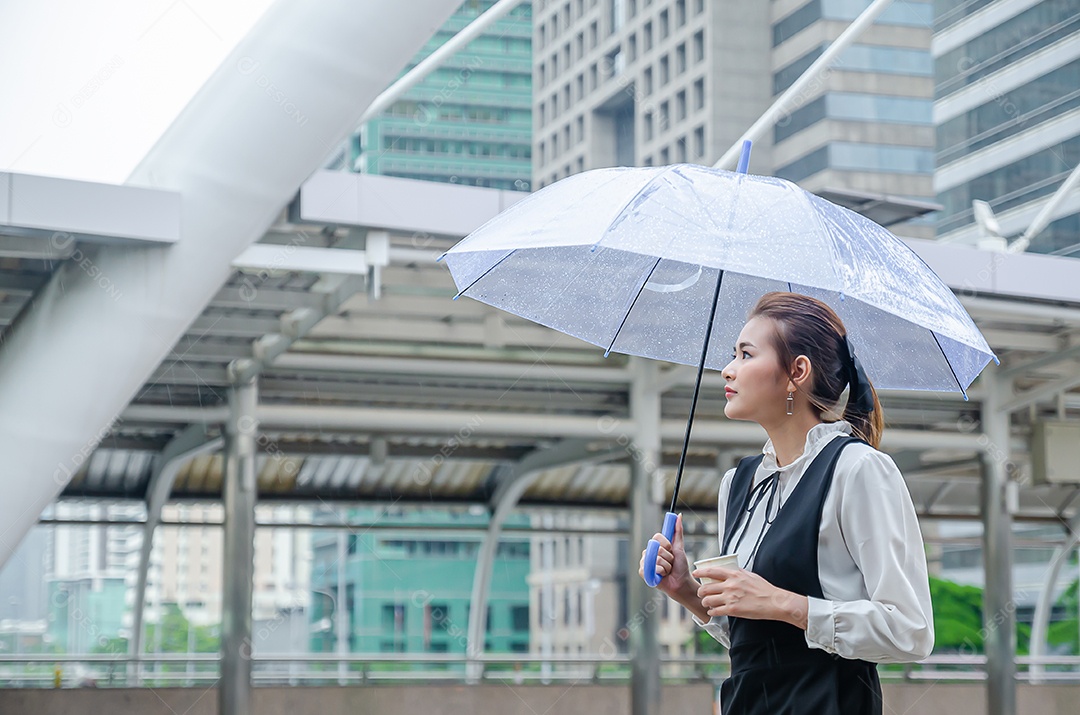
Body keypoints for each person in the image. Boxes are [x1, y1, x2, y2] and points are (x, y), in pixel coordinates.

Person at [639, 292, 933, 715]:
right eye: (732, 354)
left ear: (797, 371)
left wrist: (785, 603)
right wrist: (686, 589)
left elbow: (911, 630)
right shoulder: (737, 483)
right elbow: (757, 636)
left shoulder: (857, 470)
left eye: (745, 354)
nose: (728, 368)